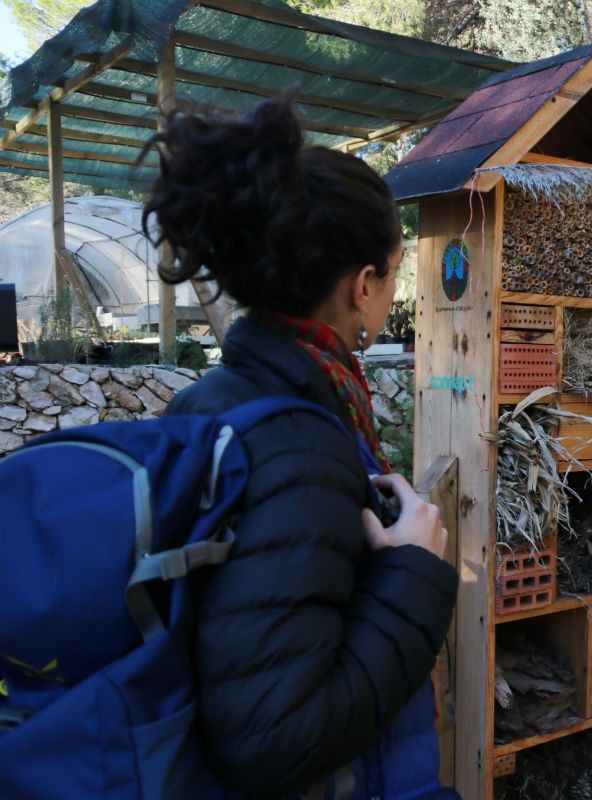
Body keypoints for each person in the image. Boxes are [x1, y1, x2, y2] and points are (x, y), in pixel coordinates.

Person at [148, 95, 459, 798]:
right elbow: (272, 740)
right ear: (364, 286)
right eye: (394, 272)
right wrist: (411, 570)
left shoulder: (211, 400)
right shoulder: (301, 451)